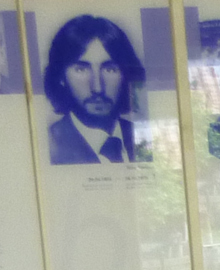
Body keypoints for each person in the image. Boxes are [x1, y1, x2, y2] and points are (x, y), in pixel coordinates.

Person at [42, 14, 150, 165]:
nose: (97, 88)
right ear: (61, 77)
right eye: (81, 69)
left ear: (126, 75)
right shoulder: (47, 145)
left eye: (110, 69)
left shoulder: (143, 138)